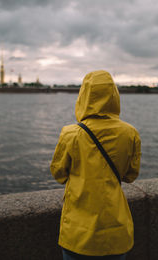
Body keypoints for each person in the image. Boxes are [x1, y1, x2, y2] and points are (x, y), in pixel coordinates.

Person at [50, 70, 141, 260]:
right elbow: (131, 176)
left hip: (77, 233)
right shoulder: (130, 133)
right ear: (114, 96)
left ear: (84, 97)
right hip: (116, 231)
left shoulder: (71, 134)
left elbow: (58, 174)